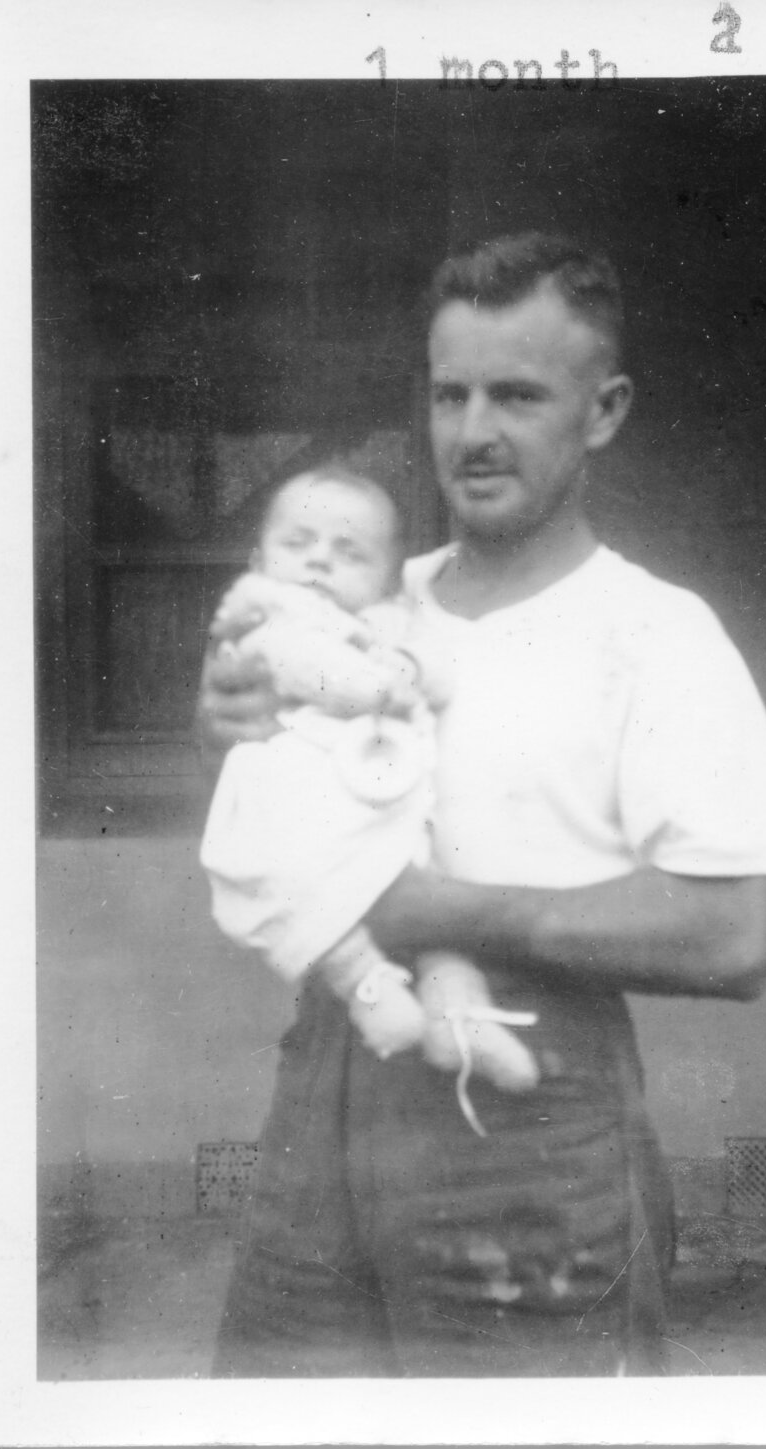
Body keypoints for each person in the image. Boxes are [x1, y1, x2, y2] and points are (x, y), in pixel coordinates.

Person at [199, 232, 766, 1378]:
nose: (474, 430)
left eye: (519, 395)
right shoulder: (366, 602)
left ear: (604, 410)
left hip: (529, 1109)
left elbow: (734, 934)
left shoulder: (656, 633)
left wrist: (433, 910)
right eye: (451, 394)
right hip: (327, 1083)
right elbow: (270, 741)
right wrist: (231, 704)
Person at [200, 460, 540, 1109]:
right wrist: (384, 684)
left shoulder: (387, 621)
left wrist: (407, 664)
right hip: (299, 802)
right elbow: (316, 673)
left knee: (431, 889)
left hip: (376, 800)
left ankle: (459, 1014)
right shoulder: (270, 616)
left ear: (386, 578)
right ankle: (367, 987)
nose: (319, 561)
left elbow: (436, 672)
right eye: (297, 543)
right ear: (259, 559)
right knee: (321, 891)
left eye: (349, 552)